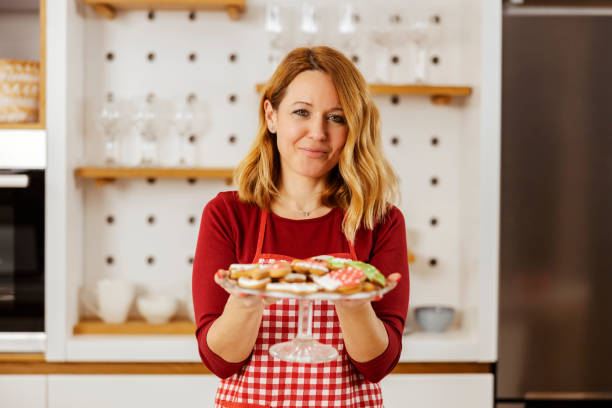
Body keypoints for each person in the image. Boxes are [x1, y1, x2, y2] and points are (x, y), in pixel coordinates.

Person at [192, 46, 410, 408]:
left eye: (336, 118)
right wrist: (247, 298)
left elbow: (377, 365)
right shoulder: (228, 215)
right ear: (271, 115)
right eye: (301, 112)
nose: (318, 132)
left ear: (353, 127)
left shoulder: (380, 220)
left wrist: (353, 299)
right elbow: (220, 361)